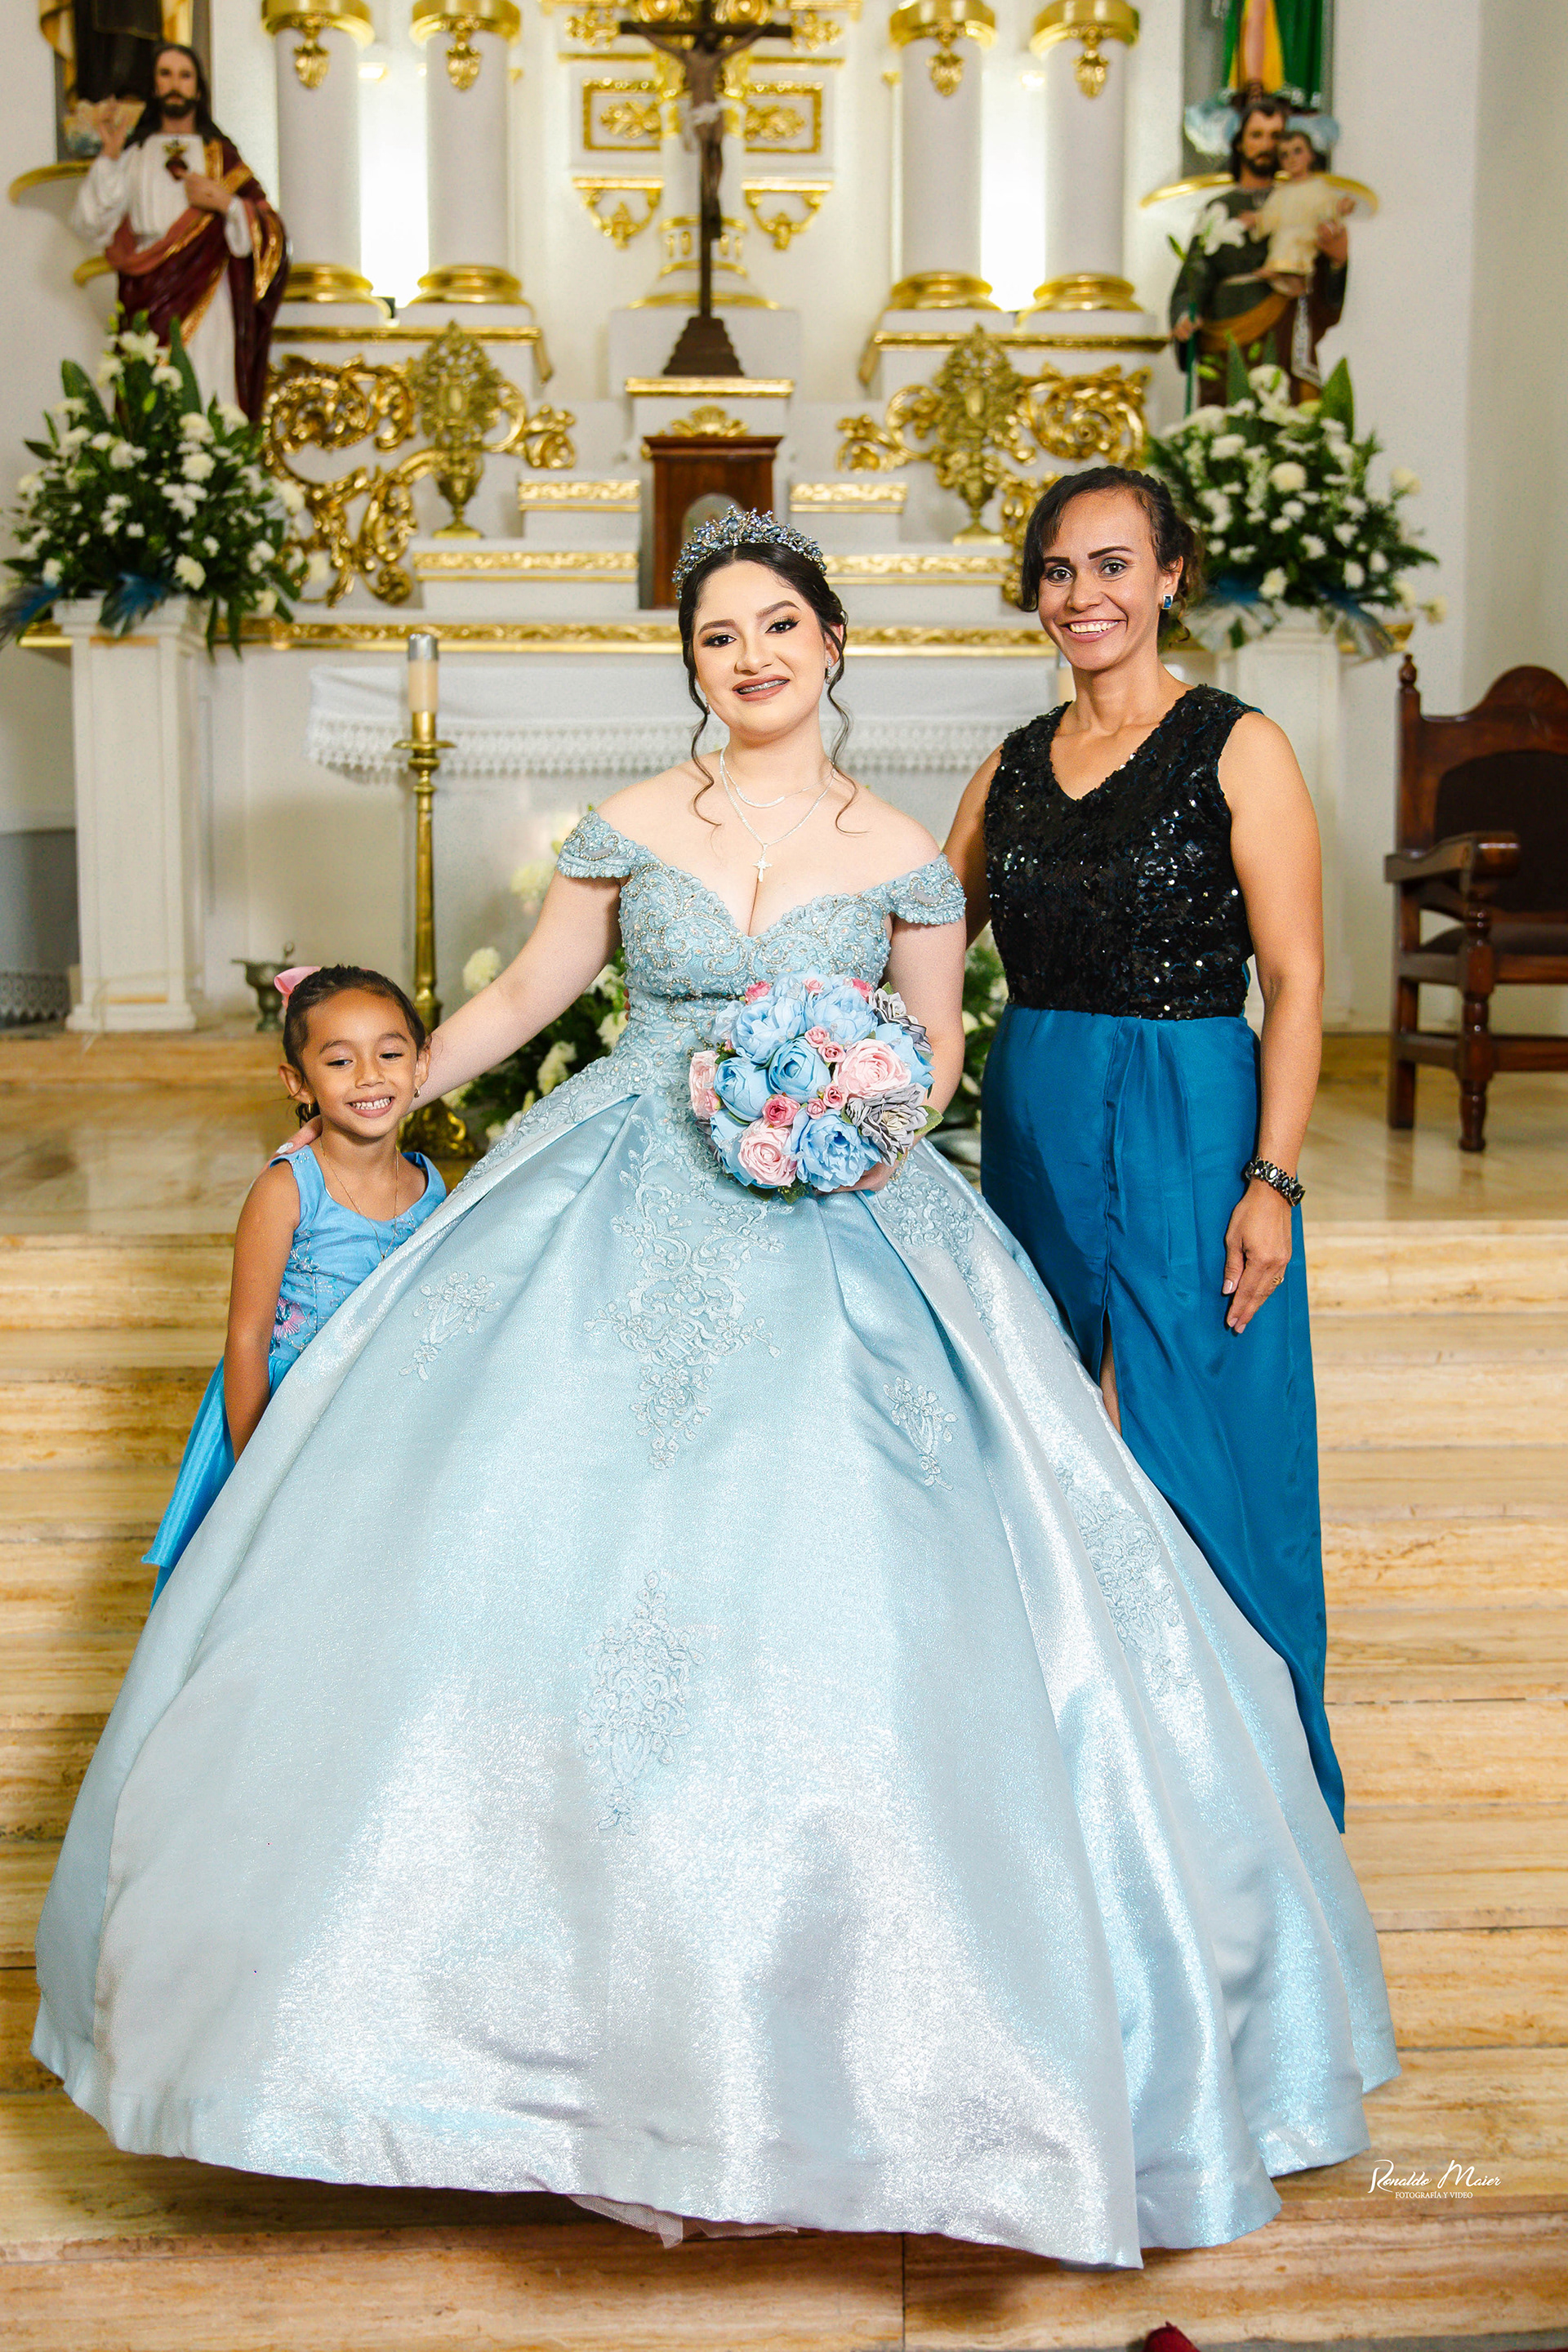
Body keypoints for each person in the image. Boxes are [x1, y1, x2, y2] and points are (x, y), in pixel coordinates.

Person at [34, 510, 1394, 2267]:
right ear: (693, 667)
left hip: (841, 1206)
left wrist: (848, 1112)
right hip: (622, 1174)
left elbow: (931, 1052)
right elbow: (534, 996)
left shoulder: (905, 852)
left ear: (831, 644)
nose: (749, 659)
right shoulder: (628, 827)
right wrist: (378, 1100)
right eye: (716, 638)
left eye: (775, 628)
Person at [944, 465, 1344, 1829]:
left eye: (1112, 565)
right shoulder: (1009, 766)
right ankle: (1086, 1772)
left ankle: (1253, 1789)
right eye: (1059, 571)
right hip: (1038, 1106)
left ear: (1171, 575)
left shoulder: (1240, 745)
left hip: (1194, 1110)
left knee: (1210, 1431)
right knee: (1045, 1428)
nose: (1083, 596)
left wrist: (1271, 1180)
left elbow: (1297, 978)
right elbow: (924, 948)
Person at [145, 964, 445, 1603]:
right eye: (339, 1062)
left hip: (378, 1421)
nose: (369, 1076)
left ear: (422, 1064)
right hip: (285, 1415)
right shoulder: (286, 1189)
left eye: (390, 1054)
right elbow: (247, 1340)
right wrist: (261, 1469)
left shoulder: (431, 1187)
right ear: (298, 1082)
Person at [69, 41, 286, 419]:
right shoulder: (134, 155)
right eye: (165, 74)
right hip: (147, 292)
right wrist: (110, 153)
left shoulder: (222, 158)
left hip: (210, 293)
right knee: (150, 392)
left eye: (185, 76)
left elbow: (272, 229)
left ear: (198, 89)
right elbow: (91, 222)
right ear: (154, 86)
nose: (175, 84)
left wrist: (225, 203)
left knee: (209, 381)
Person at [1168, 96, 1348, 404]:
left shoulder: (1301, 202)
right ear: (1240, 143)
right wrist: (1186, 315)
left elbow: (1318, 285)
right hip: (1226, 341)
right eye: (1256, 135)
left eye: (1275, 136)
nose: (1266, 145)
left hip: (1284, 337)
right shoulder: (1220, 208)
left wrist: (1337, 262)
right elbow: (1194, 276)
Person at [1250, 129, 1353, 293]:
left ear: (1310, 155)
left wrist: (1339, 207)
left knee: (1290, 236)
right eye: (1285, 155)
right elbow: (1271, 216)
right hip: (1285, 234)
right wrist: (1257, 220)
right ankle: (1285, 275)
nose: (1292, 159)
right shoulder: (1280, 191)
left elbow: (1327, 207)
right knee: (1283, 236)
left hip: (1309, 234)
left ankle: (1287, 273)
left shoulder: (1319, 187)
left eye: (1297, 151)